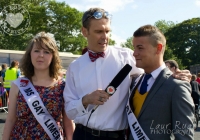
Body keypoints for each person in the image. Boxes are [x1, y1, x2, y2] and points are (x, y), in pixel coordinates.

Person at [63, 7, 192, 140]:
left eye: (107, 31)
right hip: (82, 135)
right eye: (98, 31)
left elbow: (153, 72)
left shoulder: (127, 56)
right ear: (84, 31)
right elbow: (69, 111)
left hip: (116, 136)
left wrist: (173, 76)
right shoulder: (75, 67)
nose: (105, 37)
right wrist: (86, 100)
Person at [2, 32, 74, 140]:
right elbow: (11, 119)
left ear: (53, 56)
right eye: (36, 51)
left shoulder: (62, 86)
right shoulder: (18, 85)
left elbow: (68, 122)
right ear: (30, 54)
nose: (41, 55)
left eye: (46, 52)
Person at [127, 25, 194, 140]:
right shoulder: (135, 80)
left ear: (158, 48)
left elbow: (184, 136)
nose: (134, 53)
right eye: (134, 48)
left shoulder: (177, 86)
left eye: (140, 48)